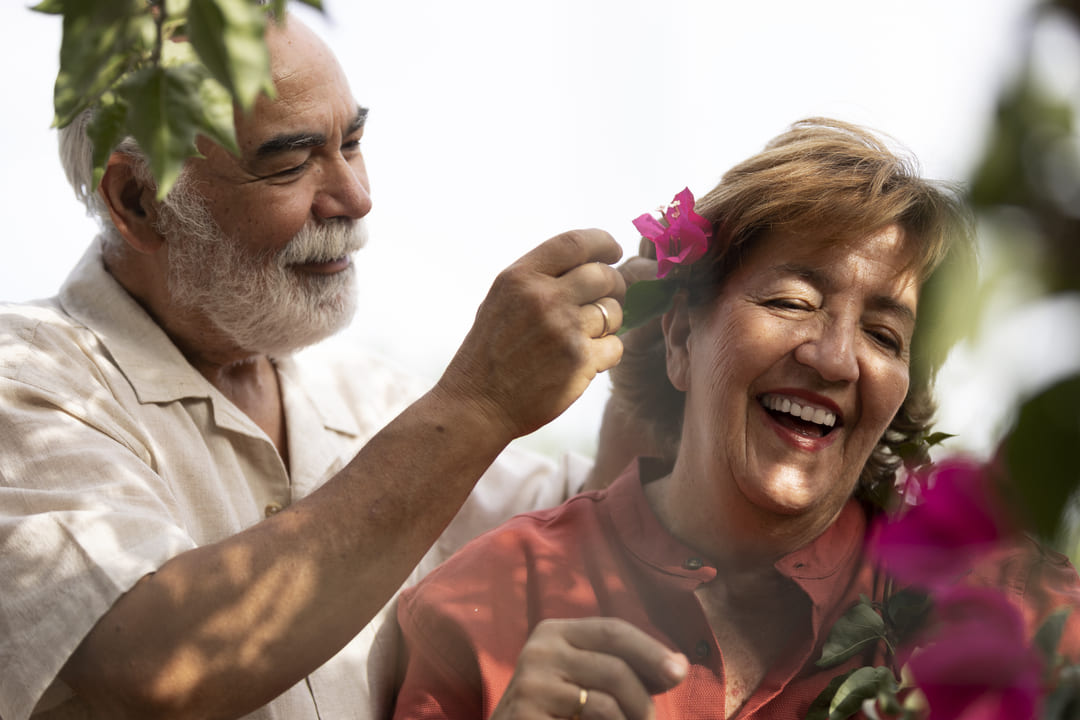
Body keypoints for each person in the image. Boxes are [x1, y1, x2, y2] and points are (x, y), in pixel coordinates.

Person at [0, 10, 640, 720]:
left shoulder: (365, 395)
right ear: (138, 200)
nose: (355, 198)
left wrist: (665, 362)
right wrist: (479, 405)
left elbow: (595, 518)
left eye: (353, 142)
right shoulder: (28, 384)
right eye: (289, 162)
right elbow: (159, 663)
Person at [391, 118, 1080, 719]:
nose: (835, 358)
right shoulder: (486, 602)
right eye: (790, 301)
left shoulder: (1013, 607)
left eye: (883, 335)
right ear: (682, 340)